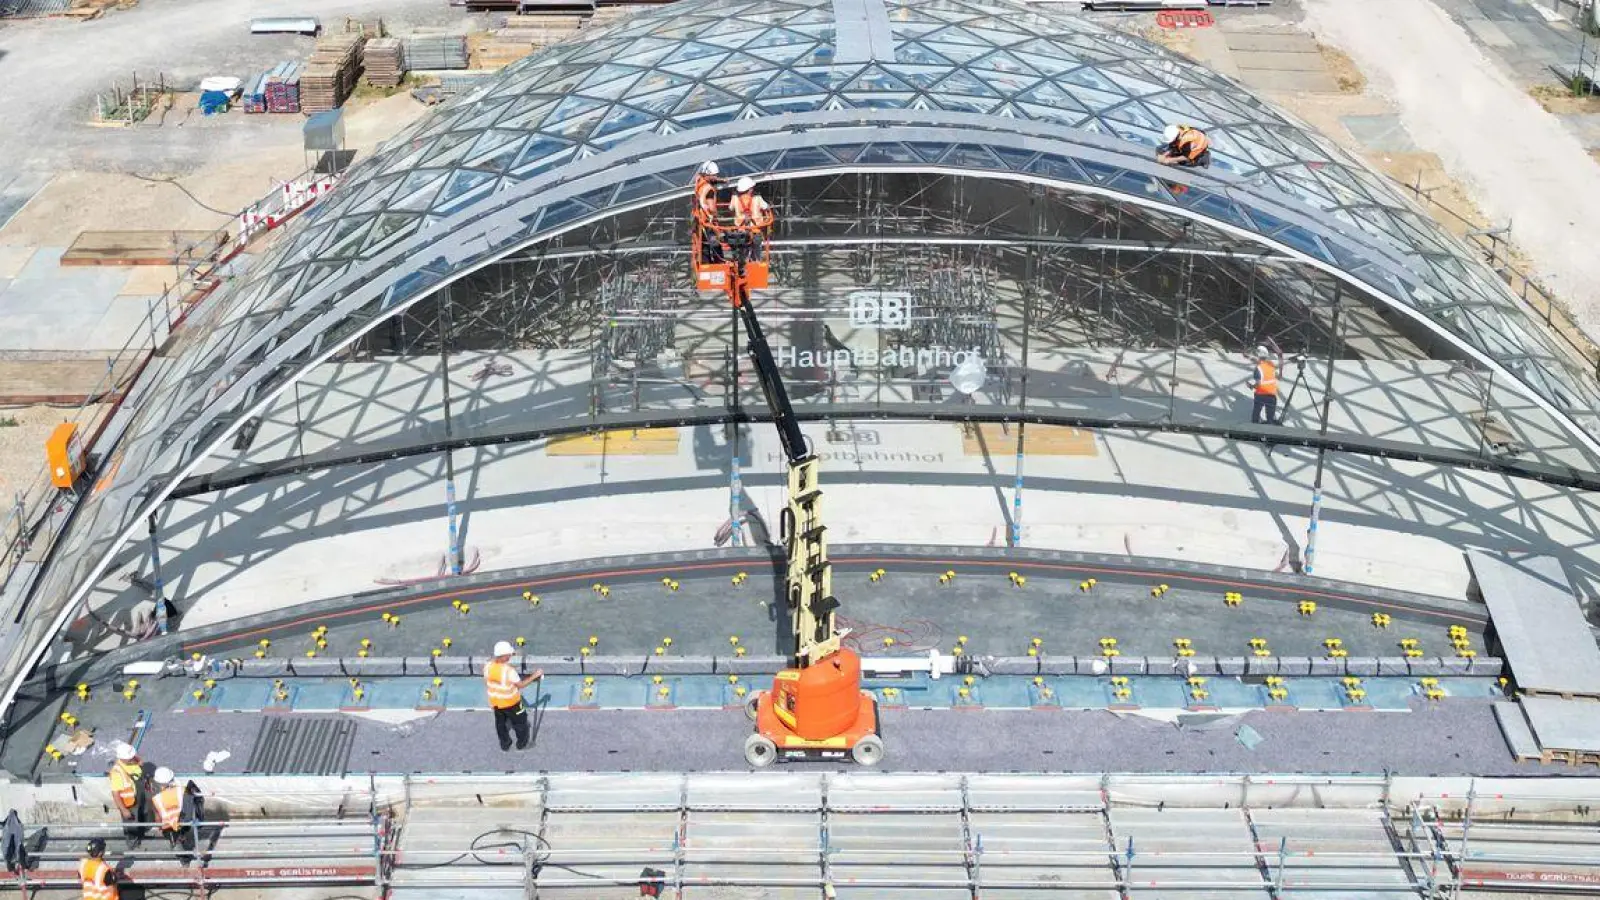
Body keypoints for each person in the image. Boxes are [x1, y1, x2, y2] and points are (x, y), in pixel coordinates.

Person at [484, 641, 543, 752]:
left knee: (500, 724)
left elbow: (488, 682)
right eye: (509, 654)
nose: (510, 656)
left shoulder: (488, 666)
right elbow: (521, 685)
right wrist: (535, 675)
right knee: (521, 724)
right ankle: (522, 744)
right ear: (504, 656)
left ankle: (505, 744)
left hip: (496, 703)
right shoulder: (509, 671)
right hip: (512, 704)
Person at [149, 768, 194, 866]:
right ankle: (183, 845)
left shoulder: (157, 797)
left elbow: (157, 815)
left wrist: (160, 826)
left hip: (171, 824)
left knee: (177, 843)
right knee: (181, 839)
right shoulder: (182, 789)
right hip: (181, 821)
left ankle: (185, 860)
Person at [106, 744, 148, 847]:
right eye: (129, 757)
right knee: (131, 824)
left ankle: (140, 833)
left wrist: (138, 762)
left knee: (139, 817)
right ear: (122, 758)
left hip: (137, 795)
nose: (132, 758)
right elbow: (115, 793)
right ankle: (132, 842)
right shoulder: (117, 772)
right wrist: (124, 810)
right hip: (128, 803)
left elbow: (139, 764)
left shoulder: (132, 759)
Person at [728, 176, 774, 262]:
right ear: (749, 189)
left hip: (741, 230)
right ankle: (756, 262)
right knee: (756, 250)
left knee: (742, 251)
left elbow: (730, 208)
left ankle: (743, 263)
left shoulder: (734, 198)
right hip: (755, 230)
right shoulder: (757, 198)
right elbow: (766, 207)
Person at [693, 161, 724, 265]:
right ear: (708, 174)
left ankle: (705, 265)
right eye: (714, 175)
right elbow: (711, 208)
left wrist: (722, 180)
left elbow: (709, 179)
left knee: (703, 245)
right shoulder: (709, 190)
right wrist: (716, 216)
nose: (716, 177)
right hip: (708, 221)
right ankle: (719, 264)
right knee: (715, 244)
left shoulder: (699, 182)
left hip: (699, 220)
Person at [1249, 345, 1280, 425]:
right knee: (1270, 416)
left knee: (1256, 413)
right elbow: (1277, 376)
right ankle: (1269, 427)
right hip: (1272, 395)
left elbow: (1258, 383)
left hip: (1260, 395)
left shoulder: (1258, 368)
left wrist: (1251, 386)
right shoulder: (1271, 364)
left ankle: (1254, 427)